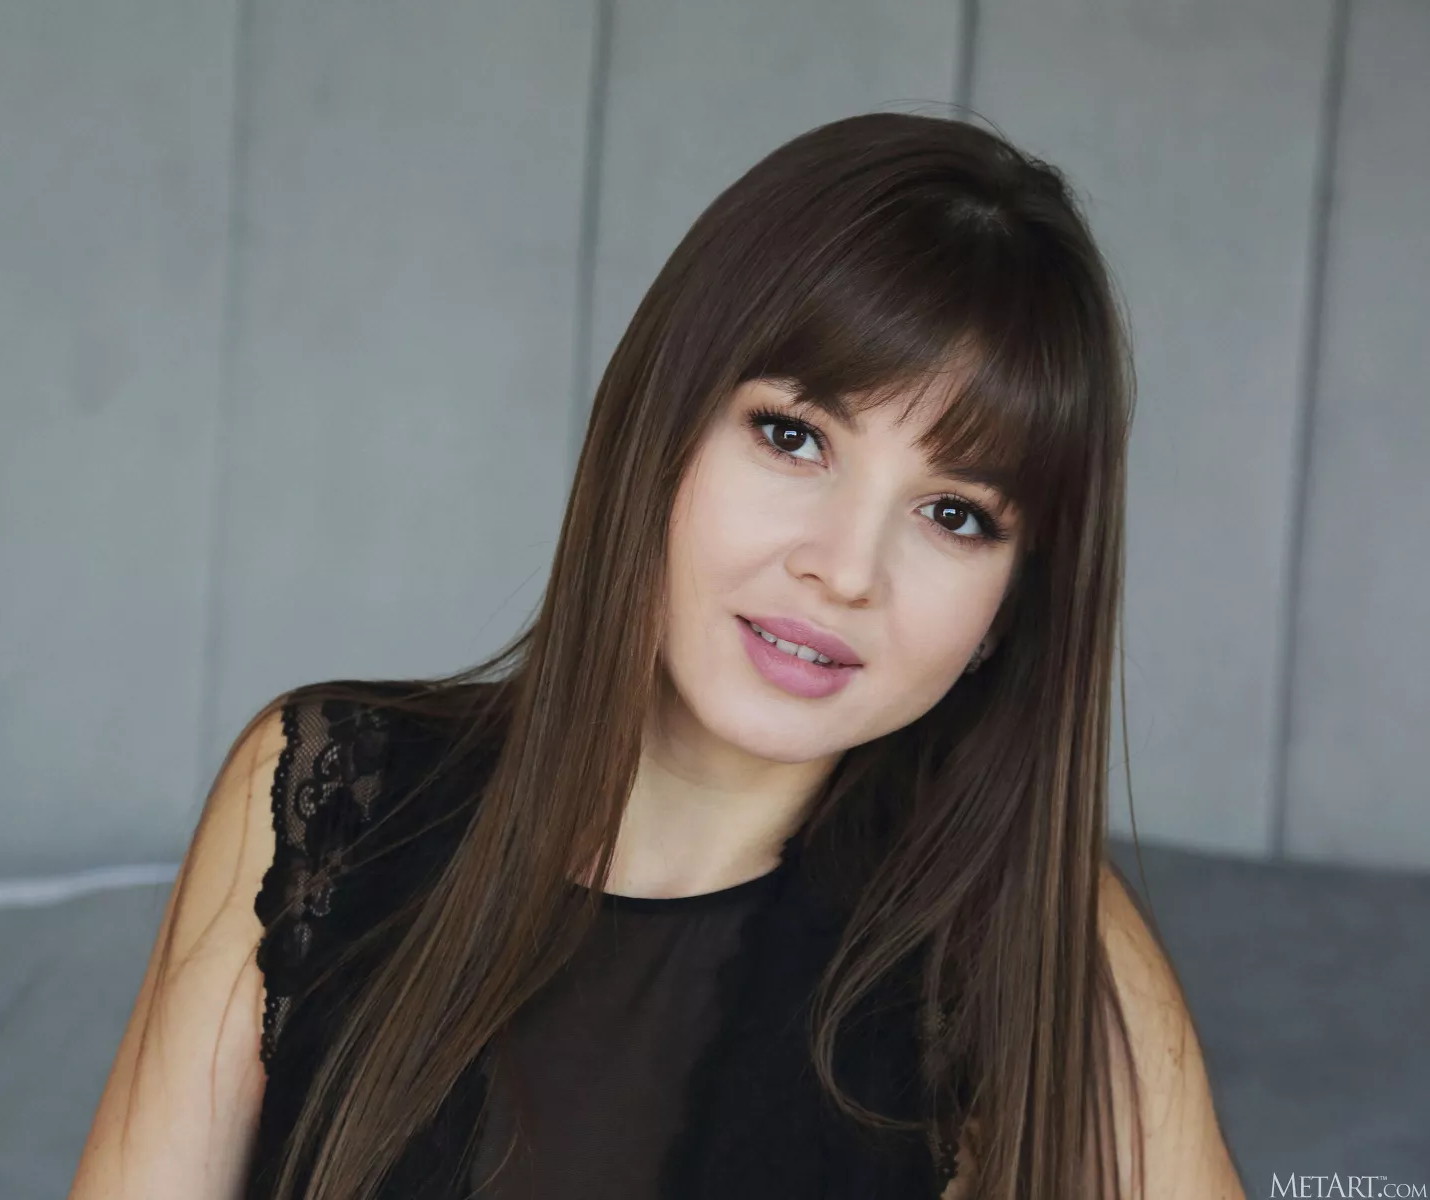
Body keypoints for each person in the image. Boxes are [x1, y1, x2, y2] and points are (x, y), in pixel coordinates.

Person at [69, 111, 1245, 1200]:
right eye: (794, 437)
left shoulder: (1038, 950)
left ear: (1013, 605)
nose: (845, 569)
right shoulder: (331, 802)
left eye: (955, 514)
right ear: (660, 428)